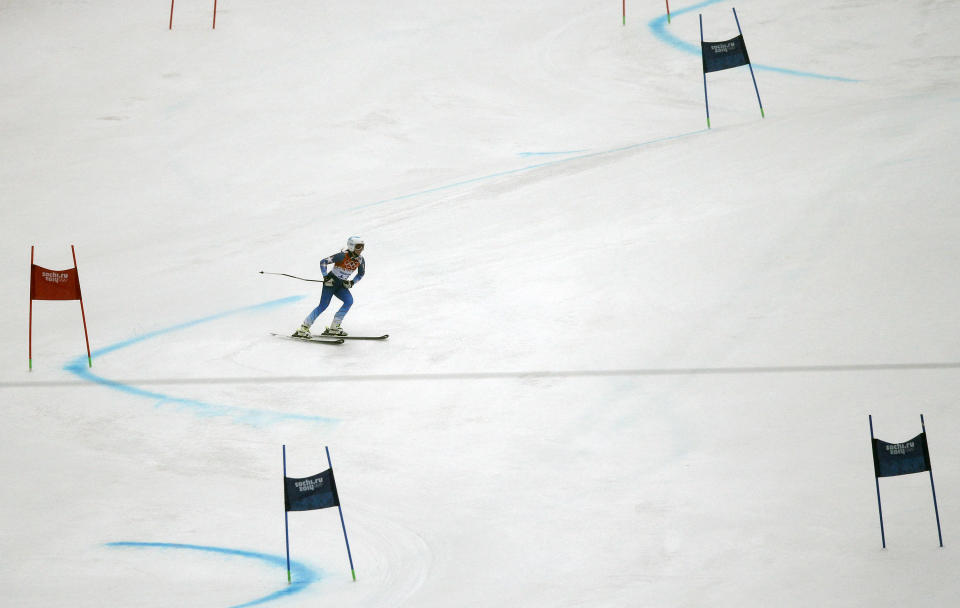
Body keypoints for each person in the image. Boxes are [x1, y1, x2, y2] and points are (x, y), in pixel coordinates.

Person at [295, 236, 365, 337]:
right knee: (323, 305)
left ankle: (334, 327)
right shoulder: (341, 256)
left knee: (349, 301)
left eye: (362, 246)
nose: (361, 249)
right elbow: (323, 262)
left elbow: (361, 274)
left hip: (341, 285)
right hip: (331, 283)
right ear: (351, 246)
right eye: (359, 246)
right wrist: (326, 277)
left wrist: (352, 283)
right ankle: (303, 328)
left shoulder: (360, 260)